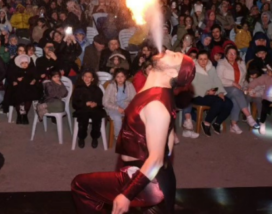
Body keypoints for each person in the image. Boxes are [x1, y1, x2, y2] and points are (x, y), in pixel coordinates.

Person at [71, 51, 194, 214]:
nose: (169, 51)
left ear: (172, 72)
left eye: (174, 56)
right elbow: (169, 144)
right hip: (140, 168)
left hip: (146, 178)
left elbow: (157, 159)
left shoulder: (156, 105)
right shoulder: (157, 91)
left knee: (80, 184)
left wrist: (127, 195)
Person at [216, 45, 258, 133]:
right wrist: (233, 83)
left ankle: (233, 124)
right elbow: (219, 79)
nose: (232, 55)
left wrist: (247, 87)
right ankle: (248, 116)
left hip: (238, 90)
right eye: (230, 53)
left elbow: (243, 79)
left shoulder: (240, 63)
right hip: (224, 88)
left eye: (234, 53)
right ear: (226, 54)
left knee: (236, 98)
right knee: (236, 91)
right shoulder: (221, 63)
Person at [191, 50, 233, 136]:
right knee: (218, 102)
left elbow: (216, 81)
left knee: (228, 103)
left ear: (208, 59)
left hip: (212, 94)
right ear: (197, 60)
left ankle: (217, 123)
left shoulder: (211, 67)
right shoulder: (193, 69)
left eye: (205, 59)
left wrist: (220, 92)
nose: (203, 61)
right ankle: (206, 123)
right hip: (198, 95)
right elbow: (193, 85)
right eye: (200, 59)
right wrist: (206, 92)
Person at [72, 70, 106, 148]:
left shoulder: (97, 89)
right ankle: (81, 137)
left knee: (97, 117)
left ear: (93, 79)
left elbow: (102, 101)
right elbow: (74, 104)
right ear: (82, 77)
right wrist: (85, 103)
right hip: (82, 109)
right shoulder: (78, 89)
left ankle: (95, 137)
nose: (87, 78)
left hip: (94, 109)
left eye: (89, 77)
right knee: (83, 117)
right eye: (85, 76)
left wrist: (96, 104)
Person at [5, 53, 40, 124]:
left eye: (26, 63)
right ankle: (19, 114)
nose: (24, 64)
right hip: (18, 88)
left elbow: (36, 76)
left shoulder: (31, 69)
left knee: (30, 95)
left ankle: (25, 114)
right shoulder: (16, 69)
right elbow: (11, 77)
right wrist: (16, 79)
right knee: (16, 94)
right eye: (22, 63)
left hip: (29, 87)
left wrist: (34, 80)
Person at [102, 69, 136, 141]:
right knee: (117, 118)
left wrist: (128, 107)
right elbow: (105, 102)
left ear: (125, 77)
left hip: (126, 106)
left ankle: (131, 136)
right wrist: (117, 108)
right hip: (113, 107)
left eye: (122, 76)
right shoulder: (111, 86)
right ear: (115, 78)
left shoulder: (129, 85)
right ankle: (118, 136)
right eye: (118, 77)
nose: (120, 79)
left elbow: (134, 99)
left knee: (135, 116)